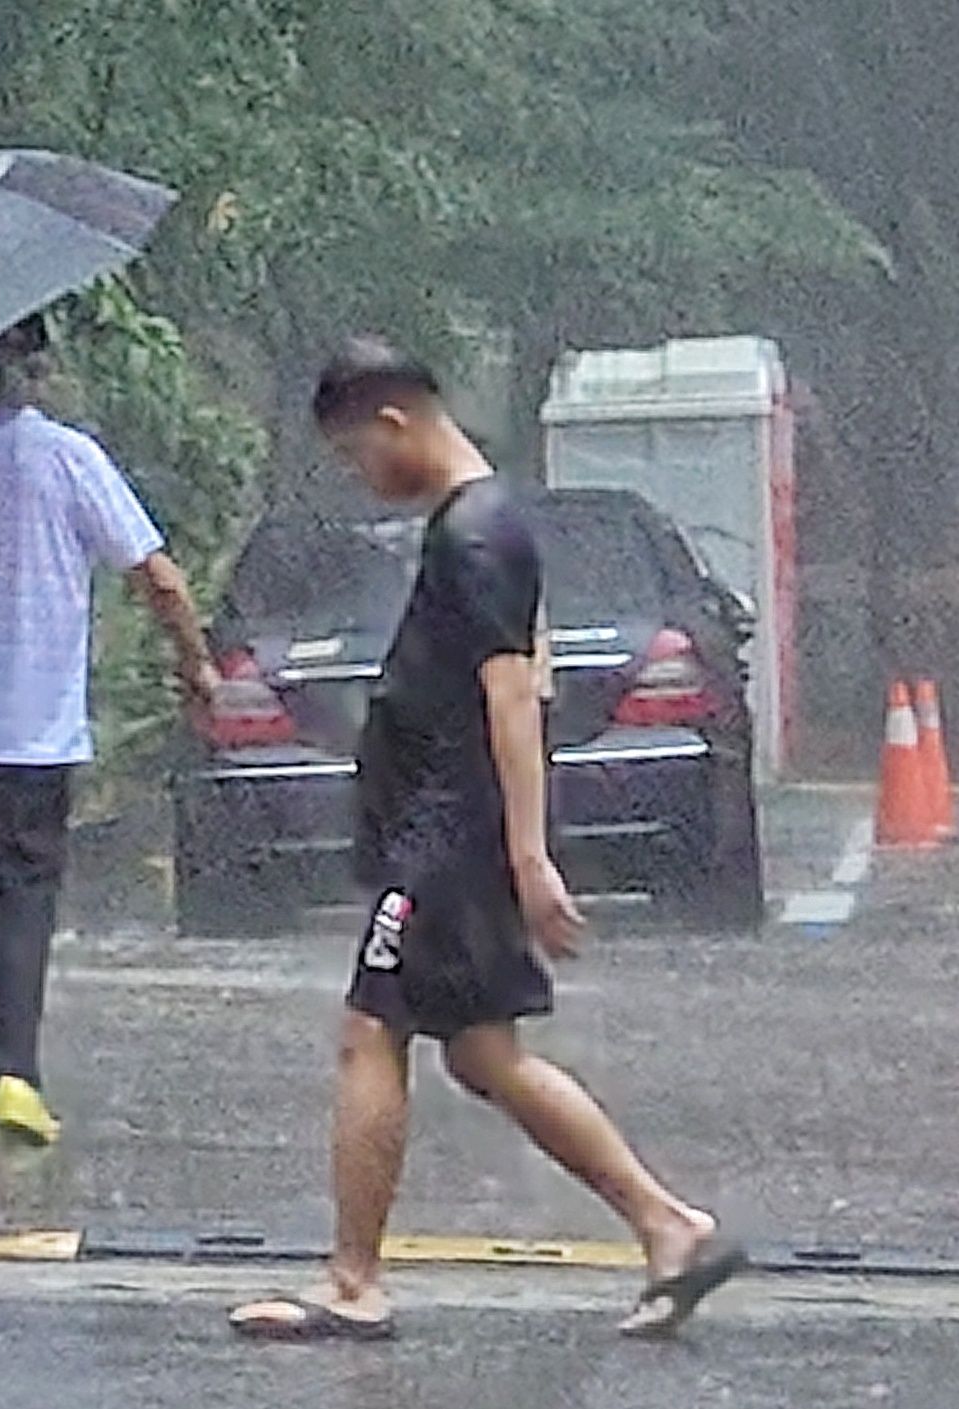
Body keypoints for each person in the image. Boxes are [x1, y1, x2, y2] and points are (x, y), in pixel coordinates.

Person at [229, 337, 744, 1343]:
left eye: (352, 456)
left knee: (371, 1029)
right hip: (448, 826)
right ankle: (668, 1223)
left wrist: (526, 854)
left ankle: (353, 1279)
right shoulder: (481, 523)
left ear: (393, 423)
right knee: (480, 1051)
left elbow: (514, 695)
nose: (359, 478)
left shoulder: (477, 534)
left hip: (451, 834)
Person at [0, 314, 219, 1147]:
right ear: (34, 372)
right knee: (24, 894)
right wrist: (195, 663)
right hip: (31, 724)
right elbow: (157, 578)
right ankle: (16, 1078)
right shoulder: (67, 456)